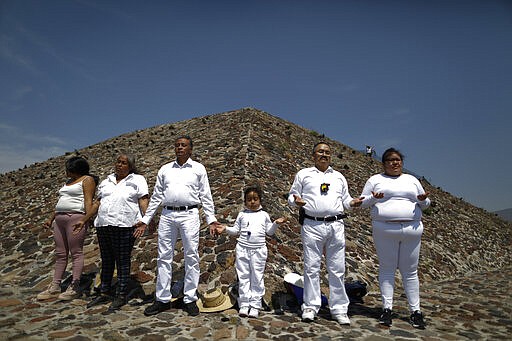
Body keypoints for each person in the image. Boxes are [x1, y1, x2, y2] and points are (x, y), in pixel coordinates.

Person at [134, 135, 223, 317]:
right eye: (177, 145)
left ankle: (190, 298)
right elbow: (157, 196)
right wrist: (146, 219)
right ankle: (162, 299)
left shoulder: (198, 169)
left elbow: (205, 195)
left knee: (191, 255)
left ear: (190, 149)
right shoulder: (165, 169)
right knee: (163, 256)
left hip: (189, 214)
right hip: (167, 214)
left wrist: (211, 219)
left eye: (183, 145)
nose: (180, 148)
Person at [287, 141, 362, 325]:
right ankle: (310, 307)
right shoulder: (304, 174)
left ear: (331, 155)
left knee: (337, 269)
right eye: (320, 151)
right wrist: (295, 201)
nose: (324, 154)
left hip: (336, 225)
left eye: (327, 152)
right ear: (313, 155)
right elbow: (291, 195)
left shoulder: (339, 177)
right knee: (311, 267)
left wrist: (353, 203)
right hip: (312, 225)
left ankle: (339, 309)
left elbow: (345, 200)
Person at [358, 148, 430, 329]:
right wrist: (373, 199)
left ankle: (415, 311)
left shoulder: (412, 180)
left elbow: (426, 204)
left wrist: (422, 200)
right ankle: (387, 309)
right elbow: (361, 203)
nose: (394, 163)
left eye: (397, 160)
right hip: (385, 229)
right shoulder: (375, 180)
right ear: (384, 163)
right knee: (387, 268)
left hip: (411, 229)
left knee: (410, 271)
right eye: (390, 160)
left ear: (402, 162)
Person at [87, 153, 149, 310]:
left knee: (122, 260)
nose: (119, 165)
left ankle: (121, 295)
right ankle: (105, 292)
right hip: (104, 225)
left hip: (124, 225)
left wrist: (147, 220)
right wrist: (84, 219)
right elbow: (97, 202)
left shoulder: (137, 180)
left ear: (130, 166)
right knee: (107, 259)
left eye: (124, 163)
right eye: (118, 162)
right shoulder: (107, 181)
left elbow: (143, 199)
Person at [215, 185, 287, 318]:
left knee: (257, 277)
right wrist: (225, 228)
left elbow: (269, 232)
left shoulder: (264, 215)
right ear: (245, 201)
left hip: (258, 250)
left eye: (255, 199)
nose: (252, 202)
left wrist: (276, 223)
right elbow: (236, 230)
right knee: (243, 277)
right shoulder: (242, 215)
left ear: (260, 200)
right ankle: (244, 304)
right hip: (243, 249)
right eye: (249, 199)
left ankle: (255, 305)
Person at [37, 156, 98, 301]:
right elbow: (61, 201)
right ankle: (55, 286)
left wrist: (86, 219)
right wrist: (50, 218)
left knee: (76, 252)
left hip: (75, 218)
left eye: (68, 168)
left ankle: (74, 286)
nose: (66, 171)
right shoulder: (68, 182)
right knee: (60, 254)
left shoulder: (87, 180)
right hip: (59, 219)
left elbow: (88, 200)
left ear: (75, 169)